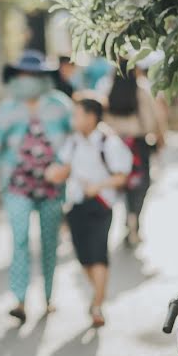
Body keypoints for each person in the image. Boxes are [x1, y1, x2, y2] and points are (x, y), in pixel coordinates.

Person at [0, 50, 72, 324]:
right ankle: (20, 300)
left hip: (51, 188)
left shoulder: (60, 105)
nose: (28, 80)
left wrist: (69, 173)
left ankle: (48, 298)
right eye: (23, 75)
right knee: (19, 240)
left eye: (33, 75)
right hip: (17, 186)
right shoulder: (8, 109)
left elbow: (75, 144)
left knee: (49, 242)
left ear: (44, 77)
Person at [46, 98, 132, 327]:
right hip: (75, 205)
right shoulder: (73, 142)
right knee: (84, 256)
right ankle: (98, 294)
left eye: (77, 115)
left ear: (91, 117)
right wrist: (54, 173)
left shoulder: (109, 142)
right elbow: (64, 168)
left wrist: (98, 186)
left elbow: (122, 176)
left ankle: (97, 304)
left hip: (101, 205)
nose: (74, 120)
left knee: (98, 254)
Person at [96, 54, 167, 246]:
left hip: (115, 145)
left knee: (123, 184)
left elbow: (100, 117)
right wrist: (160, 138)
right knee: (141, 184)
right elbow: (153, 118)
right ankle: (134, 216)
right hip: (138, 144)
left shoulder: (106, 86)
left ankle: (128, 218)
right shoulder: (142, 88)